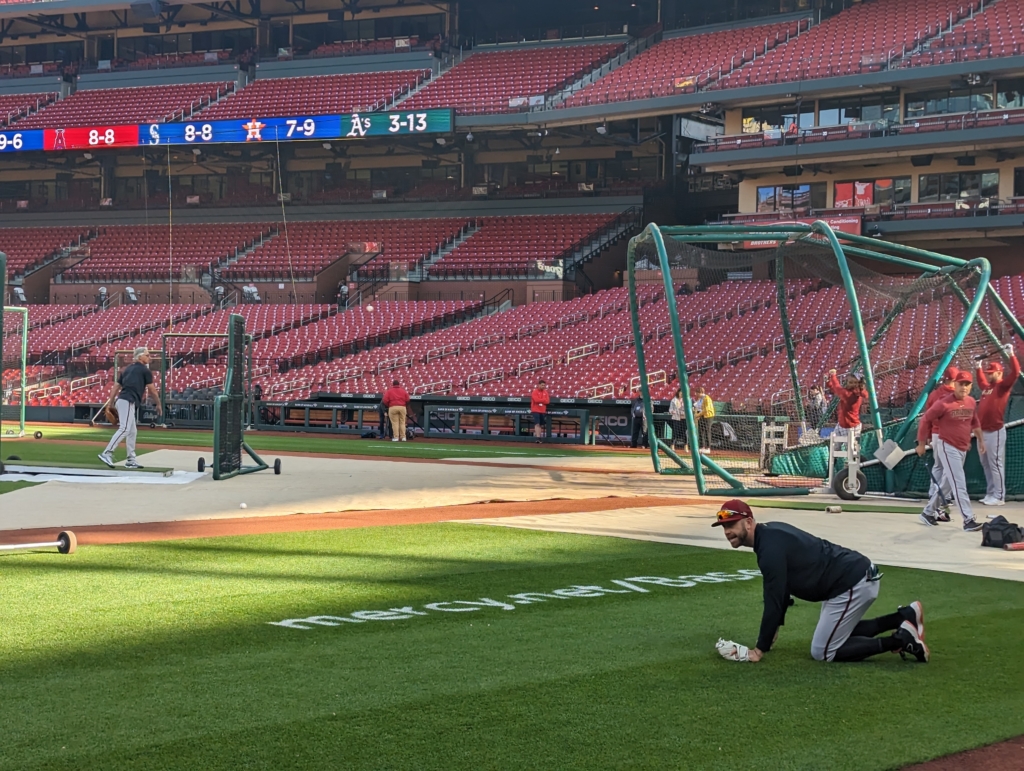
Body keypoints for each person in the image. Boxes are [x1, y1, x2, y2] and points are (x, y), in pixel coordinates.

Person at [713, 499, 929, 663]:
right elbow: (783, 588)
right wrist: (776, 626)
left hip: (851, 583)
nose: (727, 532)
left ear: (749, 522)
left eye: (732, 524)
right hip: (850, 577)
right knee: (835, 632)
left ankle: (901, 640)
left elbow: (774, 598)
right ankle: (905, 616)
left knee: (823, 651)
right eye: (724, 527)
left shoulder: (769, 548)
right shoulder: (770, 534)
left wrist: (759, 650)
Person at [917, 370, 985, 531]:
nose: (964, 387)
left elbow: (974, 422)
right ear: (955, 384)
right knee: (958, 483)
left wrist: (981, 440)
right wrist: (921, 443)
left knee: (948, 482)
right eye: (961, 384)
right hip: (947, 446)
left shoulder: (970, 402)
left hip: (962, 447)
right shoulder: (944, 403)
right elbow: (925, 419)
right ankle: (968, 519)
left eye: (967, 384)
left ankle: (928, 512)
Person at [99, 347, 162, 469]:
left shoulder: (127, 369)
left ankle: (131, 459)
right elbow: (153, 390)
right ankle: (107, 453)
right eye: (147, 355)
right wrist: (158, 404)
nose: (150, 357)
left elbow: (116, 386)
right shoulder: (145, 371)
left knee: (132, 431)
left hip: (122, 400)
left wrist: (110, 403)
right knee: (125, 429)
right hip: (128, 400)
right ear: (140, 357)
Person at [976, 345, 1019, 508]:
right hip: (983, 432)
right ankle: (991, 493)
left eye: (991, 373)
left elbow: (1015, 373)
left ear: (999, 373)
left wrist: (1011, 354)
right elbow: (981, 381)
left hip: (995, 431)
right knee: (986, 464)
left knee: (995, 463)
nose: (989, 375)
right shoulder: (988, 388)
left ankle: (999, 496)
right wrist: (978, 368)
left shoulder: (1002, 386)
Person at [922, 365, 960, 520]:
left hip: (936, 433)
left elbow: (928, 416)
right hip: (950, 434)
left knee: (938, 465)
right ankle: (944, 496)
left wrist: (929, 435)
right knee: (949, 467)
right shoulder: (955, 395)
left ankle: (934, 493)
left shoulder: (934, 394)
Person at [692, 386, 714, 453]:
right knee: (701, 431)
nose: (696, 395)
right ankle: (702, 447)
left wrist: (698, 415)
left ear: (700, 392)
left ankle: (708, 448)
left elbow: (706, 409)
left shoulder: (707, 398)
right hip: (702, 416)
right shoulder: (700, 399)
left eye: (697, 393)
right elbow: (697, 407)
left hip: (708, 416)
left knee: (707, 431)